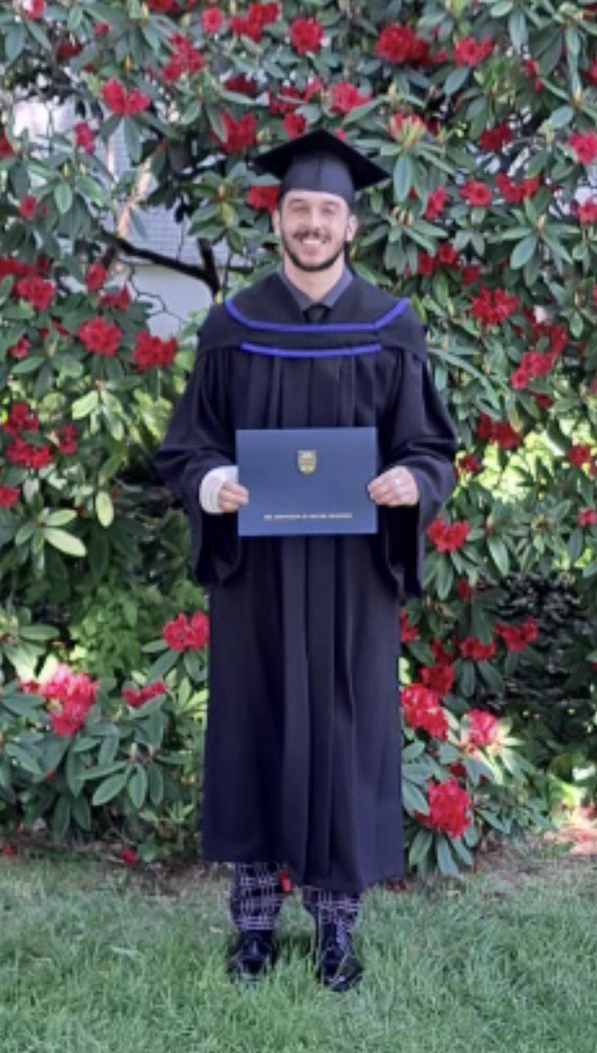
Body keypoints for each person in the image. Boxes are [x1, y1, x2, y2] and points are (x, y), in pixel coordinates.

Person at [154, 128, 458, 992]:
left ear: (351, 226)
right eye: (300, 209)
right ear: (278, 217)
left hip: (354, 581)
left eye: (329, 210)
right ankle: (252, 929)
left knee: (343, 738)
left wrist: (410, 480)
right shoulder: (232, 325)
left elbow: (431, 447)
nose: (313, 223)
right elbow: (188, 447)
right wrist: (212, 484)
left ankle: (335, 931)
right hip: (259, 583)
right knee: (254, 732)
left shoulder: (393, 328)